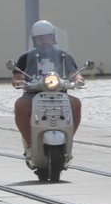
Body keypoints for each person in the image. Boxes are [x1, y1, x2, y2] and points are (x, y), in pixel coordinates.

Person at [13, 20, 83, 155]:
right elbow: (17, 76)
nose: (43, 40)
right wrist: (19, 82)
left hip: (59, 93)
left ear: (53, 37)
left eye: (46, 36)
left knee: (75, 103)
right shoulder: (26, 57)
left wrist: (78, 81)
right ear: (34, 40)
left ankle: (68, 139)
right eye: (39, 38)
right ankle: (30, 144)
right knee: (20, 105)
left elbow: (74, 73)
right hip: (32, 94)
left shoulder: (64, 56)